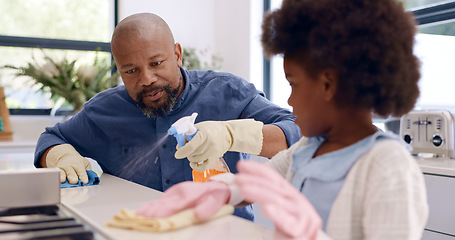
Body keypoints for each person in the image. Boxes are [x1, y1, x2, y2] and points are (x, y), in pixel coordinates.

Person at [136, 0, 429, 239]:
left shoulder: (388, 165)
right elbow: (255, 185)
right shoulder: (309, 149)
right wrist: (220, 190)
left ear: (328, 85)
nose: (290, 102)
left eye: (294, 84)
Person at [33, 12, 301, 221]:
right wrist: (61, 156)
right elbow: (52, 137)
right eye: (131, 71)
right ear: (118, 70)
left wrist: (233, 134)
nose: (147, 79)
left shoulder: (228, 92)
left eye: (156, 63)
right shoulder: (104, 111)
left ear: (177, 54)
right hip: (137, 230)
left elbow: (297, 132)